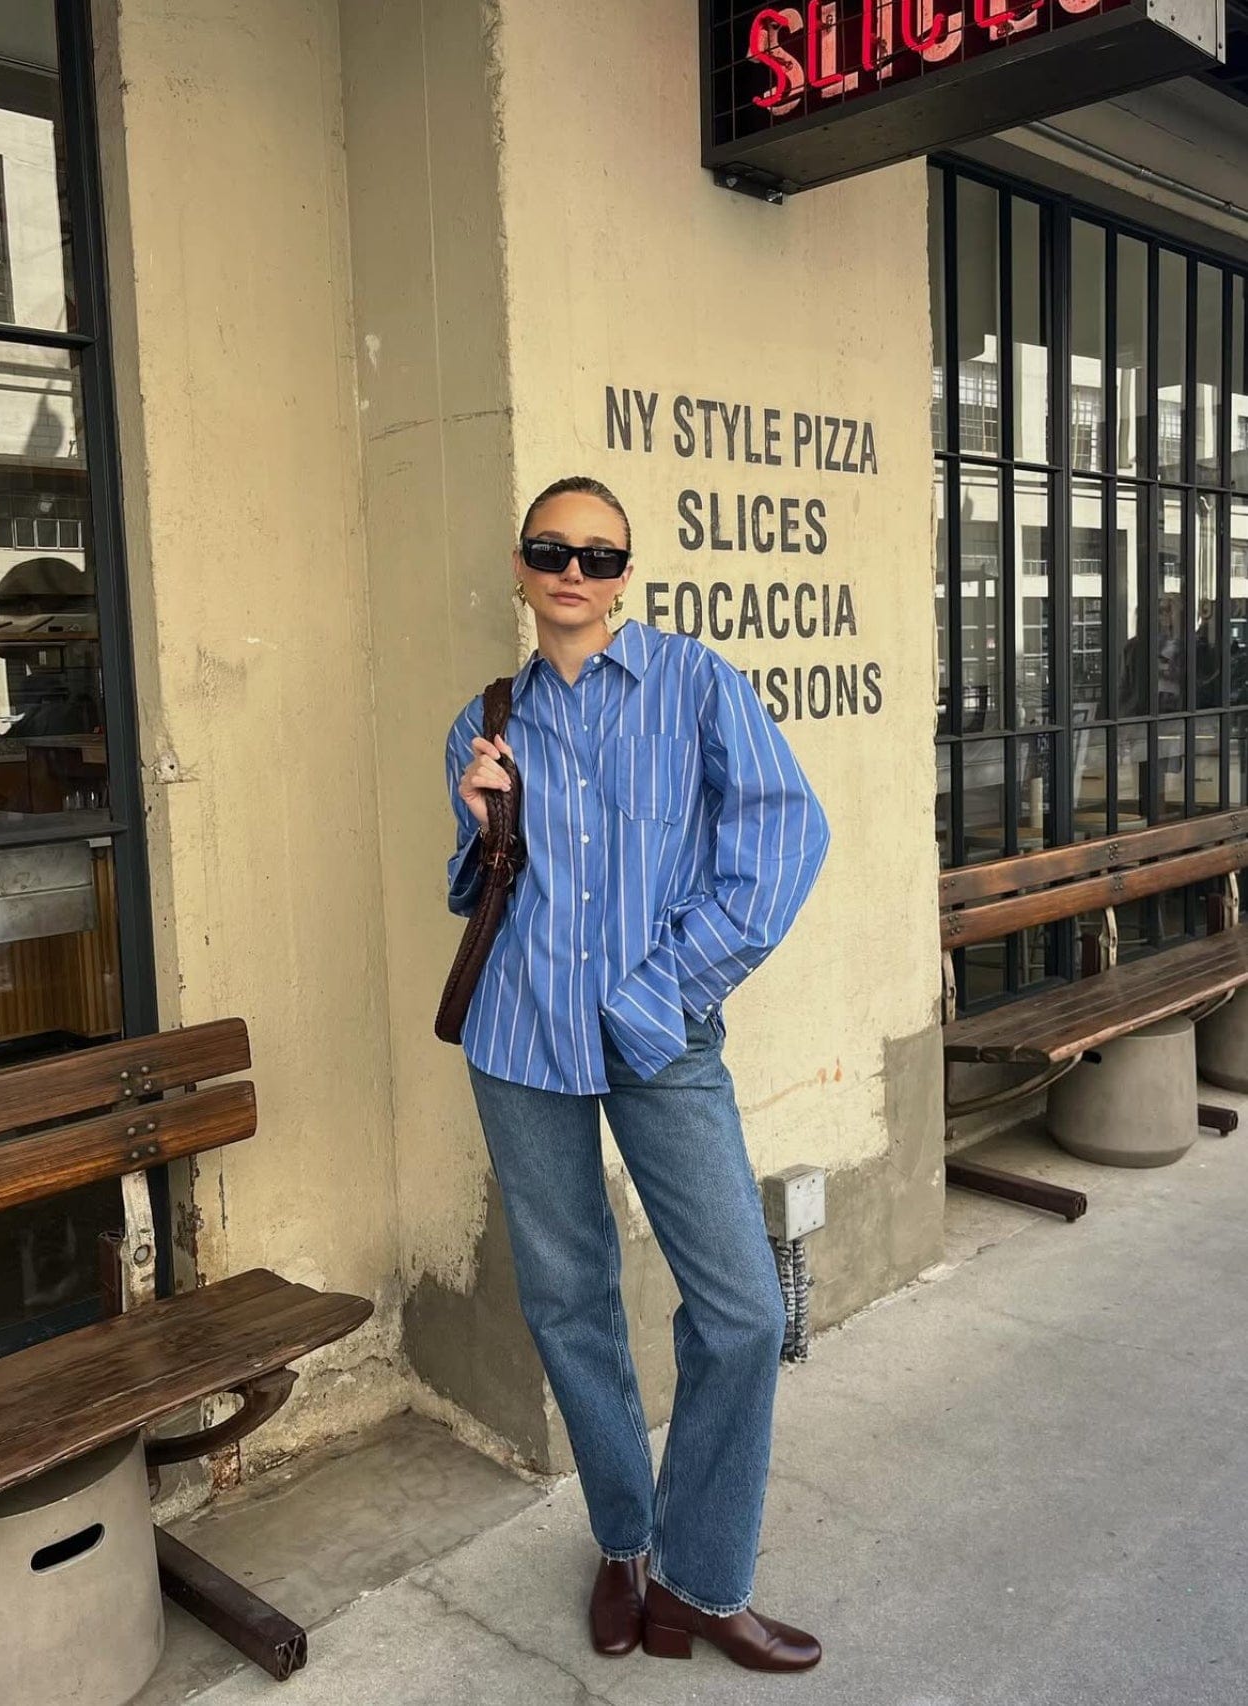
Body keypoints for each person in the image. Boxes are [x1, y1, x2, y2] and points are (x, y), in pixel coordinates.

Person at [443, 475, 830, 1671]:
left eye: (599, 555)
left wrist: (670, 984)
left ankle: (699, 1581)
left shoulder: (695, 682)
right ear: (522, 565)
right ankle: (624, 1541)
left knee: (743, 1307)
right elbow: (477, 888)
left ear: (625, 573)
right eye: (551, 549)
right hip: (521, 1038)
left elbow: (786, 834)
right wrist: (477, 813)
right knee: (568, 1298)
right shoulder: (485, 720)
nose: (575, 571)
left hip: (659, 1035)